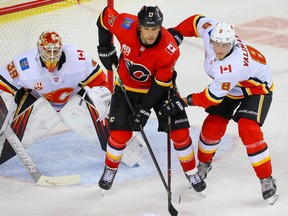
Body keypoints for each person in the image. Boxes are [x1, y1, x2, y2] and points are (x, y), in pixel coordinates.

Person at [163, 14, 278, 203]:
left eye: (224, 45)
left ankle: (266, 178)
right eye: (216, 43)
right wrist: (175, 33)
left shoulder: (233, 66)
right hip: (234, 86)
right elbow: (197, 20)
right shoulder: (213, 32)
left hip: (257, 88)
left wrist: (182, 101)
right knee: (212, 125)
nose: (219, 49)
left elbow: (210, 98)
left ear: (232, 43)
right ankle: (204, 164)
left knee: (248, 129)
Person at [96, 5, 206, 192]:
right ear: (139, 26)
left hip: (160, 90)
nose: (150, 34)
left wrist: (145, 109)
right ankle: (110, 169)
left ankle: (191, 171)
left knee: (180, 133)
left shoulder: (169, 50)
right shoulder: (124, 24)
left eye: (154, 28)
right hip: (126, 88)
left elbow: (160, 85)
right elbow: (104, 16)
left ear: (160, 27)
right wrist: (105, 47)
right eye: (146, 28)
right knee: (119, 136)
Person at [0, 30, 111, 164]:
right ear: (40, 50)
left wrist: (104, 97)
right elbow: (3, 85)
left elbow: (100, 82)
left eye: (55, 51)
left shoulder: (78, 58)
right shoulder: (24, 64)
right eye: (48, 52)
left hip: (73, 99)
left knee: (114, 136)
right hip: (37, 102)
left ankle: (121, 146)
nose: (52, 57)